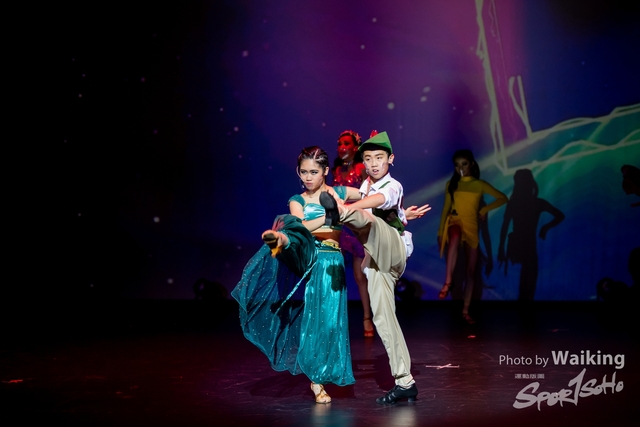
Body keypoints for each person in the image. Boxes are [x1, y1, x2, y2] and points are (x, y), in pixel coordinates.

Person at [231, 146, 355, 404]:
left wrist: (398, 211)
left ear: (325, 171)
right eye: (303, 172)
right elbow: (302, 227)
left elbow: (368, 194)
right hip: (309, 256)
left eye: (313, 172)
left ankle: (322, 374)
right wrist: (329, 217)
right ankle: (280, 240)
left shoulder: (339, 193)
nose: (308, 177)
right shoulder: (298, 200)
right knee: (292, 230)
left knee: (331, 321)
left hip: (334, 262)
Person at [322, 130, 430, 405]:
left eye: (379, 158)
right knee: (383, 319)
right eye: (368, 159)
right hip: (377, 263)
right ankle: (405, 382)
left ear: (390, 159)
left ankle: (341, 213)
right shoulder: (366, 185)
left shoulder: (393, 185)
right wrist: (405, 215)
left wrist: (346, 208)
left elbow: (381, 200)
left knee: (369, 221)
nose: (373, 163)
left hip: (393, 251)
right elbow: (370, 200)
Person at [437, 149, 507, 324]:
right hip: (455, 221)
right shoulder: (451, 184)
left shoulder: (479, 184)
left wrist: (485, 209)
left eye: (464, 164)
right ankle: (448, 281)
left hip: (472, 227)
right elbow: (445, 209)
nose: (460, 168)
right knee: (454, 235)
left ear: (472, 164)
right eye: (457, 165)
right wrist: (440, 232)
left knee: (471, 272)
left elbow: (502, 198)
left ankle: (465, 311)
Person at [332, 130, 375, 337]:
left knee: (359, 275)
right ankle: (335, 319)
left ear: (355, 147)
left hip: (356, 226)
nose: (342, 147)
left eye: (346, 143)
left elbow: (369, 193)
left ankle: (367, 317)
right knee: (335, 275)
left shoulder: (360, 168)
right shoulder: (335, 171)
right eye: (340, 143)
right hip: (339, 227)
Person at [497, 169, 564, 301]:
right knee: (530, 284)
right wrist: (545, 228)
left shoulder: (513, 204)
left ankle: (522, 306)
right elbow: (560, 216)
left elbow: (505, 227)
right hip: (529, 247)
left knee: (525, 284)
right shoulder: (537, 203)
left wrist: (501, 249)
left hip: (516, 246)